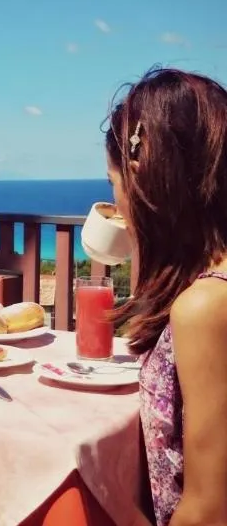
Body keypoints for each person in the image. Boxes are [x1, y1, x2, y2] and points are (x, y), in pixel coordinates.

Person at [105, 67, 227, 526]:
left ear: (144, 177)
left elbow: (208, 512)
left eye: (114, 184)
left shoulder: (206, 308)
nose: (116, 206)